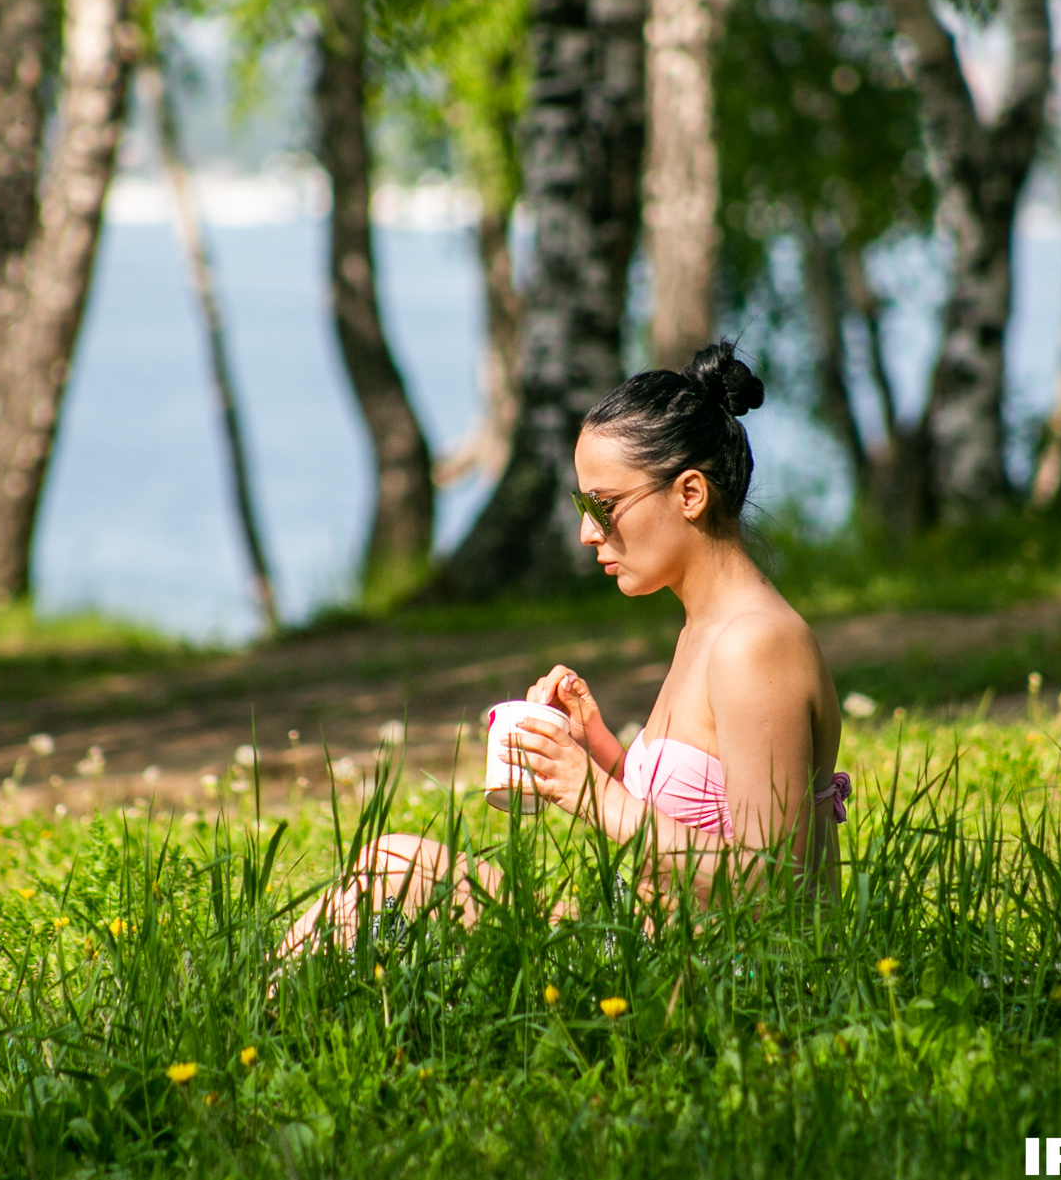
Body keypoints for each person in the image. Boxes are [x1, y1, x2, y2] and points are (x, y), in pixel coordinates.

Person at [282, 343, 846, 950]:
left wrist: (590, 793)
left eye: (602, 506)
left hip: (709, 983)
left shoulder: (755, 644)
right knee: (390, 864)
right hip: (642, 948)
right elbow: (699, 814)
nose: (586, 531)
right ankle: (263, 1007)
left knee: (394, 870)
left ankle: (256, 1018)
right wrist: (595, 747)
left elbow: (774, 886)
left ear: (689, 494)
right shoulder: (704, 629)